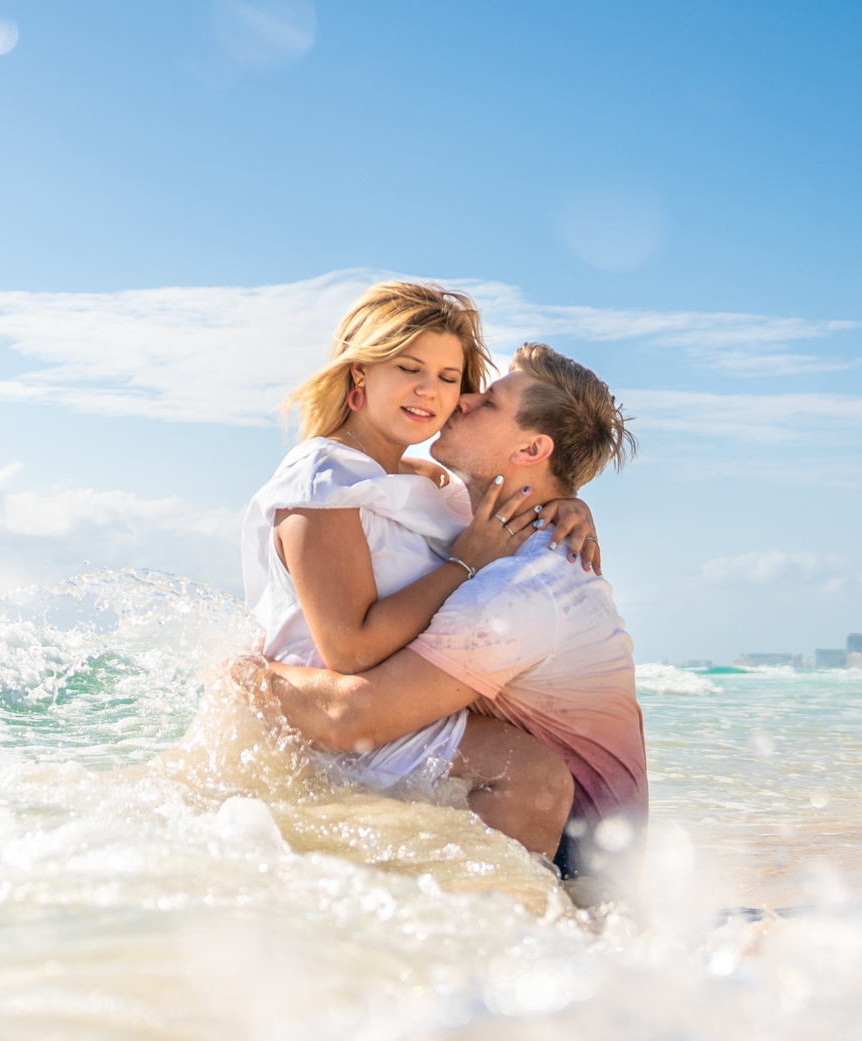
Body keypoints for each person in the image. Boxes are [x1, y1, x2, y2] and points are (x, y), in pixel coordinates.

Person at [263, 344, 643, 874]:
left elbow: (350, 719)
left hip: (575, 870)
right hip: (592, 856)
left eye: (488, 402)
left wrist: (245, 676)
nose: (461, 400)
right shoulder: (521, 534)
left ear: (532, 448)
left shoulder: (520, 590)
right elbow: (387, 473)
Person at [241, 282, 598, 798]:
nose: (429, 391)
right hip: (333, 728)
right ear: (360, 371)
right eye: (409, 369)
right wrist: (462, 566)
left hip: (393, 710)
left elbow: (504, 501)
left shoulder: (426, 479)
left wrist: (568, 504)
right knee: (527, 773)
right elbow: (349, 647)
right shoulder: (323, 480)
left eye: (448, 377)